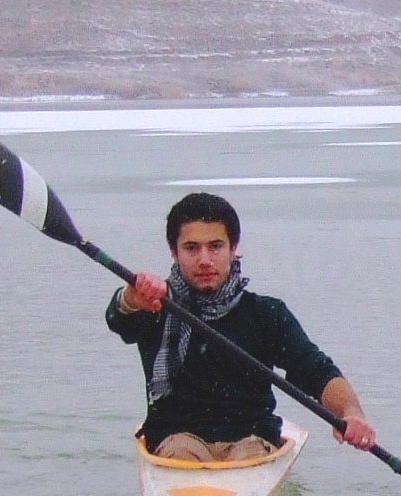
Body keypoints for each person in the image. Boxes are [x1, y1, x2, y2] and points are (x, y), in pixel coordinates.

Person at [107, 191, 378, 464]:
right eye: (191, 248)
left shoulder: (266, 314)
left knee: (247, 453)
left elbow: (314, 369)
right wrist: (131, 298)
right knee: (182, 452)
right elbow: (120, 320)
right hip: (175, 439)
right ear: (174, 252)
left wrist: (351, 412)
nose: (204, 259)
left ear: (232, 248)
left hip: (250, 440)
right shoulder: (154, 305)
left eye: (215, 246)